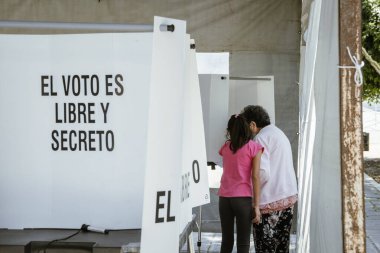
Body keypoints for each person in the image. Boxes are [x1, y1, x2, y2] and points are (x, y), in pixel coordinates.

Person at [242, 105, 298, 253]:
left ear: (252, 125)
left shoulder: (260, 139)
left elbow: (261, 173)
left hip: (270, 201)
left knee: (265, 248)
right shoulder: (278, 133)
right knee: (282, 247)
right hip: (288, 197)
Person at [218, 114, 263, 253]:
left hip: (224, 199)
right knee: (243, 244)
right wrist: (256, 206)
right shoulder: (254, 148)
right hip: (242, 200)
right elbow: (255, 176)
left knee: (226, 241)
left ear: (229, 130)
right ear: (247, 128)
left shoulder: (225, 147)